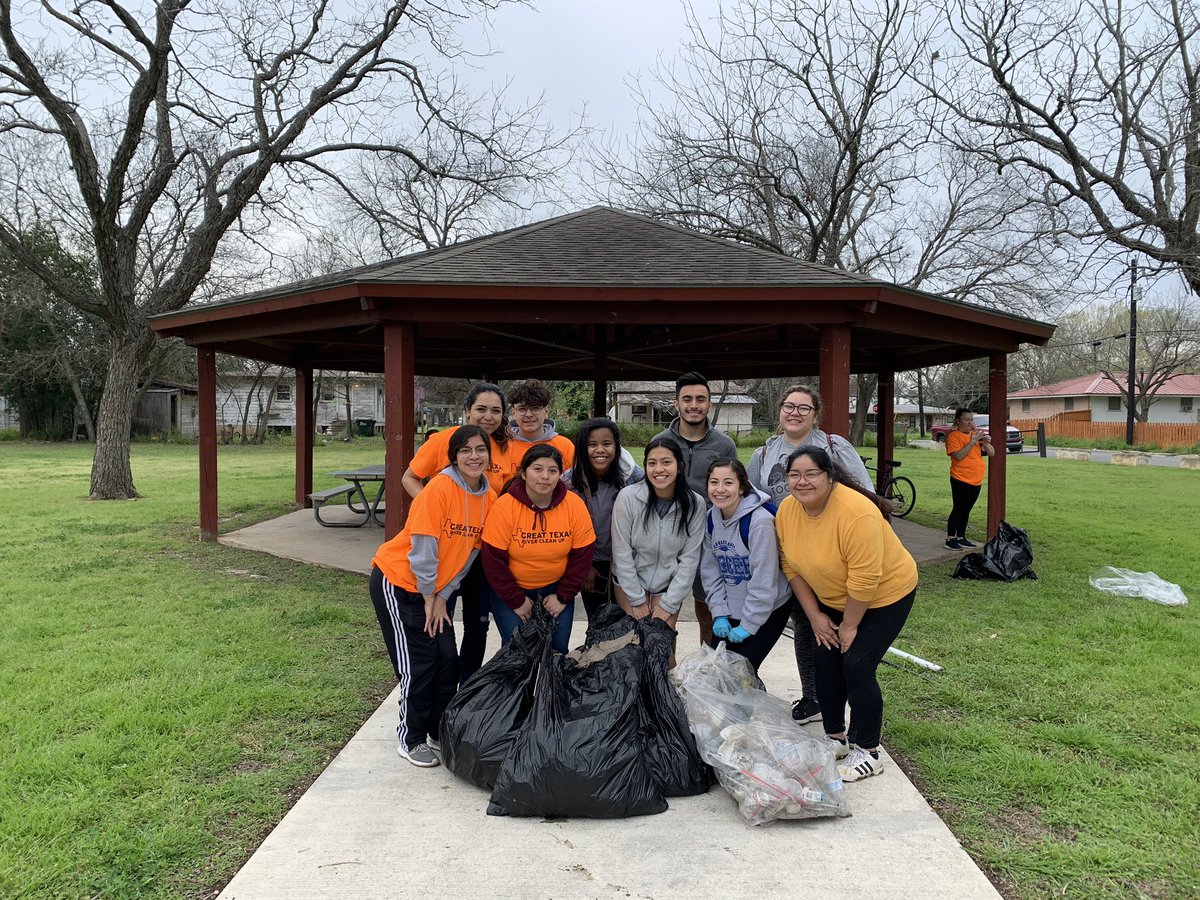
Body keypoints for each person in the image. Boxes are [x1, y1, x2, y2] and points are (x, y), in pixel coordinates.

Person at [776, 445, 918, 783]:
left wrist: (850, 626)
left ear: (829, 477)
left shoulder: (857, 512)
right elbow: (790, 567)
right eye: (795, 475)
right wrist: (814, 616)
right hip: (833, 597)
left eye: (811, 474)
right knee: (823, 658)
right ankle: (835, 738)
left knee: (855, 663)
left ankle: (868, 751)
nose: (802, 482)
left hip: (885, 595)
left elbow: (866, 578)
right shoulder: (786, 510)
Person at [368, 425, 495, 768]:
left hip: (434, 591)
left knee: (448, 662)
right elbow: (424, 546)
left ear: (489, 455)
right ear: (453, 455)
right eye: (465, 450)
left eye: (480, 449)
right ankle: (410, 738)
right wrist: (429, 595)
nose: (473, 456)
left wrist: (443, 595)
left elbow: (470, 554)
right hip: (399, 582)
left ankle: (437, 730)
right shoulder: (438, 488)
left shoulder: (489, 496)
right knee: (419, 664)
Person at [747, 384, 873, 724]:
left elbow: (865, 493)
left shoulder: (833, 447)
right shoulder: (763, 453)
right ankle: (755, 686)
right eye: (789, 406)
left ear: (816, 414)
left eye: (804, 408)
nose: (795, 413)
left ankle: (816, 696)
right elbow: (749, 502)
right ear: (780, 411)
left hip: (823, 553)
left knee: (812, 624)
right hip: (779, 553)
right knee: (780, 620)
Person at [400, 383, 510, 686]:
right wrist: (433, 509)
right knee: (439, 618)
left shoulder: (501, 447)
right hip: (446, 551)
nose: (488, 417)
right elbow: (409, 477)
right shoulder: (443, 441)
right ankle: (441, 685)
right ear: (467, 410)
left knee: (478, 624)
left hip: (477, 550)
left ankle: (467, 686)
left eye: (496, 411)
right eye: (481, 409)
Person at [650, 372, 737, 644]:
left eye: (701, 399)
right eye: (687, 399)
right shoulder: (661, 441)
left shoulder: (723, 445)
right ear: (676, 403)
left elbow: (735, 491)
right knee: (665, 607)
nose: (694, 405)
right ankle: (666, 669)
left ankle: (706, 670)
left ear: (709, 403)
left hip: (709, 537)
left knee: (708, 607)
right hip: (667, 535)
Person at [482, 444, 595, 654]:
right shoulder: (504, 506)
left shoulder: (574, 505)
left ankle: (550, 688)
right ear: (523, 473)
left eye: (552, 471)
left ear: (560, 475)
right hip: (513, 590)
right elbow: (493, 560)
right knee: (517, 650)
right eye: (537, 469)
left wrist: (563, 596)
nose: (545, 476)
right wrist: (516, 600)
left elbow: (582, 555)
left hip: (557, 588)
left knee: (557, 650)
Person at [700, 458, 795, 674]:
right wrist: (719, 612)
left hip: (769, 606)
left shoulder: (759, 522)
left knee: (742, 673)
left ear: (742, 487)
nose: (720, 489)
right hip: (732, 606)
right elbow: (710, 571)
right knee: (718, 672)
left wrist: (748, 625)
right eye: (714, 482)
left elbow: (764, 579)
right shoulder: (711, 519)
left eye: (728, 483)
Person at [610, 436, 706, 633]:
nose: (659, 469)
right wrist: (637, 600)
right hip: (630, 582)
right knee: (635, 643)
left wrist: (668, 605)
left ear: (679, 467)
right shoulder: (628, 498)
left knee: (662, 647)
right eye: (652, 463)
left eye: (666, 462)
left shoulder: (695, 504)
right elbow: (621, 554)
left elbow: (689, 559)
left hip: (668, 585)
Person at [564, 417, 644, 624]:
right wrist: (584, 566)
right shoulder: (569, 482)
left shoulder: (633, 477)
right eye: (592, 444)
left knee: (628, 623)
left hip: (627, 562)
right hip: (590, 563)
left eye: (607, 444)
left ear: (616, 447)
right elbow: (566, 528)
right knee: (599, 623)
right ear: (583, 448)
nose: (600, 450)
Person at [504, 378, 575, 479]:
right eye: (522, 409)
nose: (528, 414)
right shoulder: (502, 445)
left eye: (535, 408)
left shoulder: (565, 446)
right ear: (513, 412)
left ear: (546, 411)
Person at [945, 407, 994, 550]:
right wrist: (972, 441)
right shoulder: (954, 436)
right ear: (958, 420)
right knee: (958, 508)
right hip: (960, 478)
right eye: (966, 420)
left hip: (976, 479)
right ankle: (950, 538)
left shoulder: (976, 436)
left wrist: (985, 442)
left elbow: (992, 453)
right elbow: (958, 456)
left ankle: (961, 536)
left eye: (971, 419)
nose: (969, 422)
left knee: (967, 509)